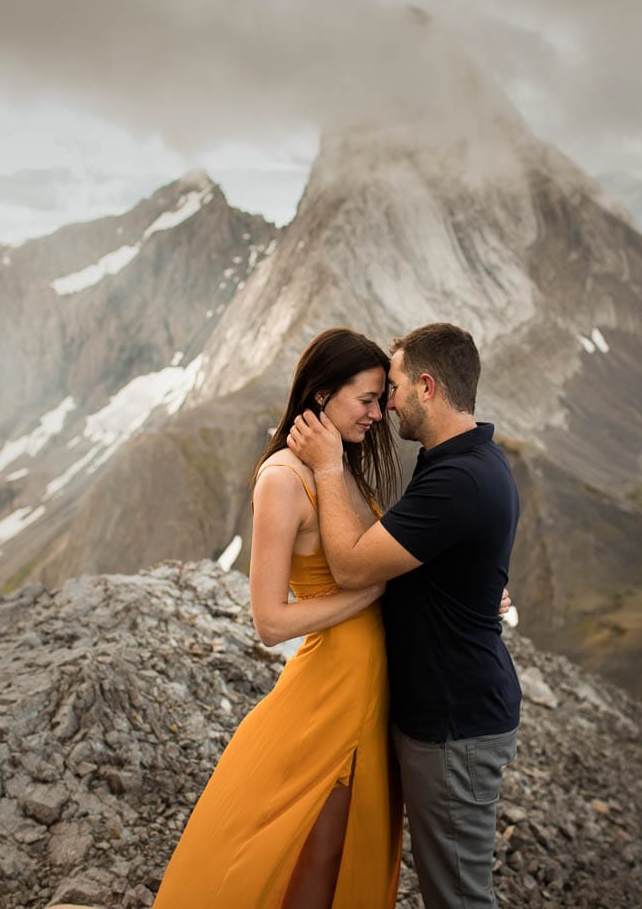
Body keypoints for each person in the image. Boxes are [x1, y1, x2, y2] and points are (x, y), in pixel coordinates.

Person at [154, 327, 404, 908]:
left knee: (336, 850)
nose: (379, 413)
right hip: (329, 691)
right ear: (321, 394)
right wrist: (369, 596)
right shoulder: (283, 478)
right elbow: (269, 621)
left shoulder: (337, 465)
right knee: (312, 854)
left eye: (379, 399)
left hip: (367, 687)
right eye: (366, 399)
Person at [288, 322, 521, 909]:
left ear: (425, 386)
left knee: (459, 898)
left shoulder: (458, 479)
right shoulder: (463, 461)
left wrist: (324, 465)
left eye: (390, 388)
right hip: (449, 714)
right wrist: (471, 592)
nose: (386, 404)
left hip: (454, 724)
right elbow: (433, 557)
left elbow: (352, 567)